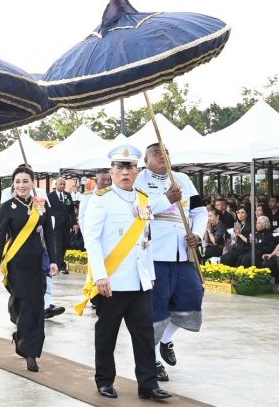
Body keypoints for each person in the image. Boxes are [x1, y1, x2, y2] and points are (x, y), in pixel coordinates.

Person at [78, 144, 171, 400]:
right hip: (112, 281)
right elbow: (92, 241)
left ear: (138, 170)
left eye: (130, 167)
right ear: (112, 170)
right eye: (120, 167)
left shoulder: (143, 198)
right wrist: (99, 275)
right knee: (107, 335)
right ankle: (105, 381)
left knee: (144, 335)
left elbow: (145, 240)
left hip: (139, 281)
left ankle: (148, 385)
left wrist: (149, 273)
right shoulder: (101, 200)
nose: (125, 172)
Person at [134, 143, 207, 383]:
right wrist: (165, 199)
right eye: (156, 153)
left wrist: (197, 233)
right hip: (154, 251)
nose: (162, 156)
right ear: (145, 160)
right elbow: (138, 212)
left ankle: (165, 340)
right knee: (157, 305)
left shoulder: (183, 179)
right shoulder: (139, 180)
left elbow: (200, 211)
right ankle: (153, 358)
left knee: (193, 297)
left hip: (183, 249)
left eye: (165, 152)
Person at [0, 165, 58, 373]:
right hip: (16, 263)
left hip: (37, 262)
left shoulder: (41, 205)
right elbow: (0, 236)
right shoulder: (7, 206)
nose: (21, 185)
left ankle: (31, 352)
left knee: (36, 306)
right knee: (23, 303)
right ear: (14, 184)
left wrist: (54, 260)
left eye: (25, 181)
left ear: (32, 183)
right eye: (18, 181)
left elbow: (49, 233)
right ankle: (22, 336)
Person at [48, 177, 77, 274]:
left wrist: (74, 223)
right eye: (60, 184)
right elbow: (48, 210)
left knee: (65, 244)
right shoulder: (50, 196)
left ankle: (59, 263)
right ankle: (61, 265)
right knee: (58, 244)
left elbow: (71, 210)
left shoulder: (68, 195)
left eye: (64, 184)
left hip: (66, 224)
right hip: (56, 224)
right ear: (56, 185)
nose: (62, 186)